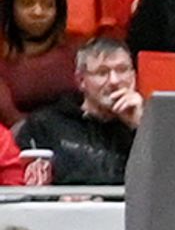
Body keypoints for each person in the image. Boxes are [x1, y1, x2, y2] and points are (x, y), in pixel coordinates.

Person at [13, 37, 137, 184]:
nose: (114, 81)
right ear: (81, 81)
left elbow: (166, 179)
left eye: (122, 70)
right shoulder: (44, 125)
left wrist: (140, 126)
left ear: (134, 76)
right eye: (102, 73)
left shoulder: (150, 125)